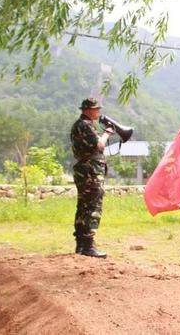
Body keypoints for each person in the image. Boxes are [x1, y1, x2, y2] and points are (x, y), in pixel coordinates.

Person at [70, 97, 113, 258]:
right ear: (88, 110)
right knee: (92, 206)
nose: (98, 112)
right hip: (90, 172)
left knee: (83, 206)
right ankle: (88, 246)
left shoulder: (79, 125)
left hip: (85, 170)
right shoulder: (85, 126)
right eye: (96, 109)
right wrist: (107, 133)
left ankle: (81, 245)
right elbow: (99, 145)